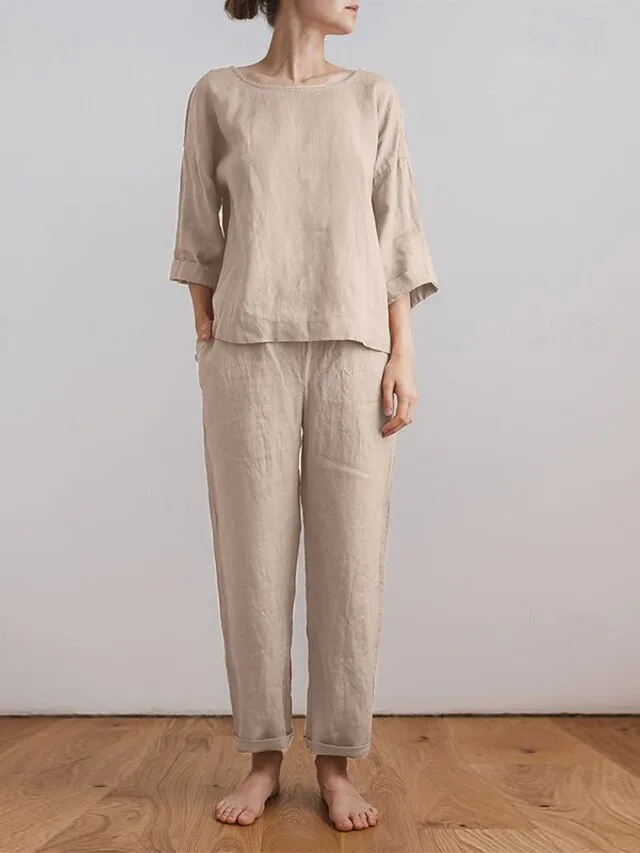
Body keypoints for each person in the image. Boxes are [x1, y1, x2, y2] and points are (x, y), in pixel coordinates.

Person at [168, 0, 439, 834]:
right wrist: (208, 330)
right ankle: (261, 757)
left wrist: (403, 354)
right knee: (250, 560)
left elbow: (396, 236)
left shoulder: (373, 97)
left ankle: (336, 762)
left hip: (354, 352)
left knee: (351, 562)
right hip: (248, 351)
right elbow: (199, 230)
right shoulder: (218, 95)